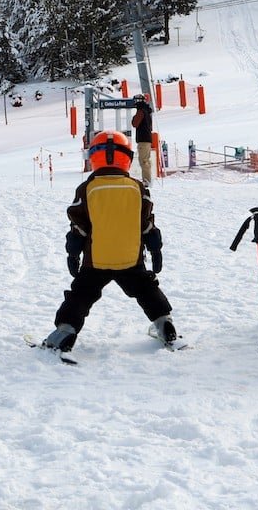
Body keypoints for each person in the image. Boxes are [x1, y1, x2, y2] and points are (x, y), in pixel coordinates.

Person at [41, 130, 178, 352]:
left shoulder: (87, 189)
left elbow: (79, 228)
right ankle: (164, 322)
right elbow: (147, 224)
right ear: (127, 157)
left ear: (94, 156)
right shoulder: (137, 188)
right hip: (130, 259)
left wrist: (73, 253)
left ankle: (65, 331)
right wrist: (155, 248)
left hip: (96, 261)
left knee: (81, 295)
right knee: (146, 288)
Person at [131, 93, 154, 185]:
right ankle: (147, 179)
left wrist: (133, 118)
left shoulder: (141, 111)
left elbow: (135, 123)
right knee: (146, 160)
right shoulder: (147, 111)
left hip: (143, 139)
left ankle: (146, 180)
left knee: (143, 161)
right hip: (147, 138)